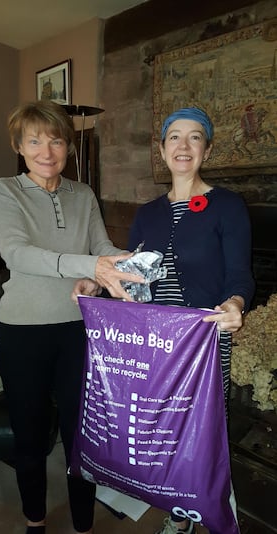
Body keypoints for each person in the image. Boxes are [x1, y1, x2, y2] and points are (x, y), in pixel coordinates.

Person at [0, 99, 144, 534]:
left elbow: (100, 248)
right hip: (22, 332)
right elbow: (17, 253)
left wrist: (133, 260)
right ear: (19, 146)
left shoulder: (83, 194)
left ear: (68, 147)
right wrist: (90, 267)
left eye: (56, 140)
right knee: (30, 435)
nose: (47, 151)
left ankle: (81, 523)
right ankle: (35, 520)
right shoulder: (5, 190)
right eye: (35, 141)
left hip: (79, 329)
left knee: (82, 434)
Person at [127, 107, 255, 534]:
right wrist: (100, 285)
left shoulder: (228, 206)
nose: (184, 146)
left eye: (195, 137)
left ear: (207, 149)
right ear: (163, 150)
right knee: (162, 424)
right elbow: (134, 276)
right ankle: (175, 507)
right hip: (157, 342)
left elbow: (239, 275)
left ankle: (202, 508)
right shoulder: (147, 214)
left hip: (204, 340)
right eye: (174, 137)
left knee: (201, 432)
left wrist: (236, 302)